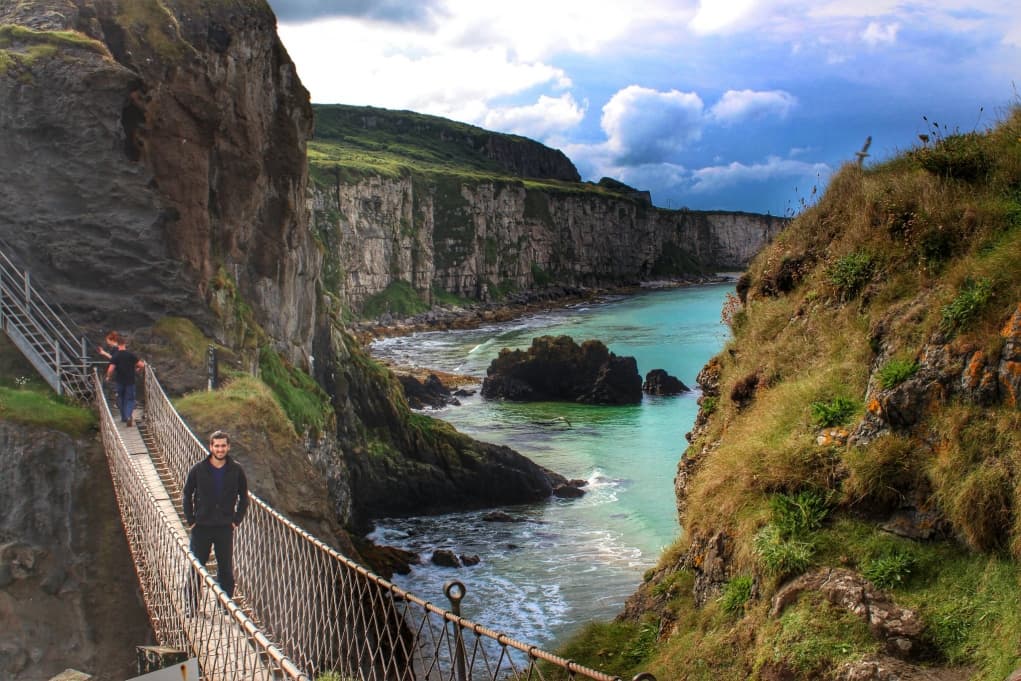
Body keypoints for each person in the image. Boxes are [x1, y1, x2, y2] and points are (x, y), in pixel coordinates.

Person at [182, 430, 249, 601]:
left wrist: (236, 520)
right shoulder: (198, 469)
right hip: (201, 526)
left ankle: (225, 605)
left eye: (223, 446)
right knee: (196, 567)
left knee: (225, 568)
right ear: (211, 447)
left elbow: (244, 498)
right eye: (217, 446)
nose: (220, 449)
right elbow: (187, 494)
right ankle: (191, 603)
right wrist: (191, 520)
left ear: (228, 447)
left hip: (225, 527)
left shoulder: (236, 470)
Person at [104, 335, 145, 427]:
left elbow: (110, 369)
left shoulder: (116, 356)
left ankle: (124, 417)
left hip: (119, 381)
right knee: (130, 399)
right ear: (125, 344)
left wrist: (108, 377)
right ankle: (128, 416)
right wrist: (138, 369)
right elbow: (142, 365)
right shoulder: (131, 355)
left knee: (121, 399)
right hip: (130, 381)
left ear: (118, 345)